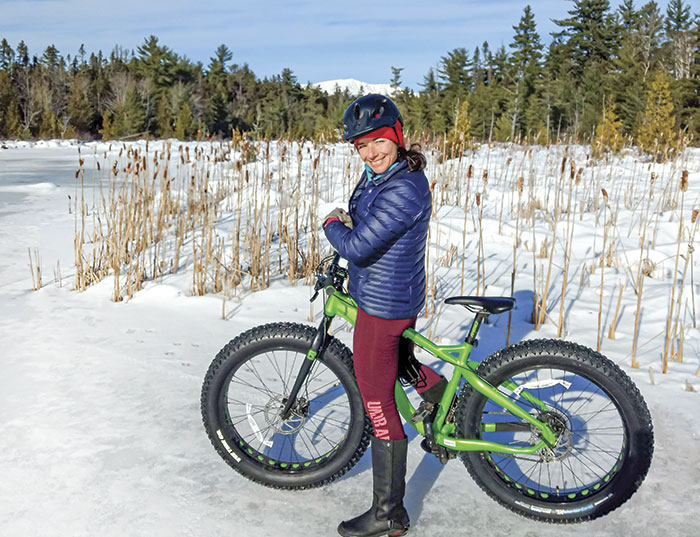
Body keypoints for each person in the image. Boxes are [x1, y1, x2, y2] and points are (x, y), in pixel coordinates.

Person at [323, 94, 447, 537]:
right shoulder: (384, 175)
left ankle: (389, 512)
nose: (370, 152)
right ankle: (442, 400)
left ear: (396, 136)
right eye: (361, 145)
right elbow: (367, 225)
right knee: (401, 364)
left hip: (386, 304)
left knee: (377, 399)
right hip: (384, 293)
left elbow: (358, 245)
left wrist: (331, 225)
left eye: (377, 141)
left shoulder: (404, 187)